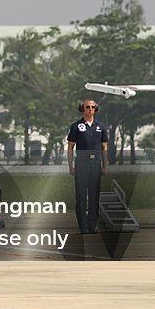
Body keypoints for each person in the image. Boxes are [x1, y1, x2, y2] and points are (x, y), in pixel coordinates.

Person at [66, 99, 108, 234]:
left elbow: (104, 147)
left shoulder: (101, 127)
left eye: (92, 107)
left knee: (94, 195)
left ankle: (92, 225)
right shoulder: (76, 126)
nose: (90, 110)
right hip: (82, 163)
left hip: (95, 163)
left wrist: (104, 165)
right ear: (82, 109)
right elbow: (70, 147)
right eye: (87, 107)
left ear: (96, 109)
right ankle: (83, 226)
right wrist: (71, 166)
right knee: (81, 195)